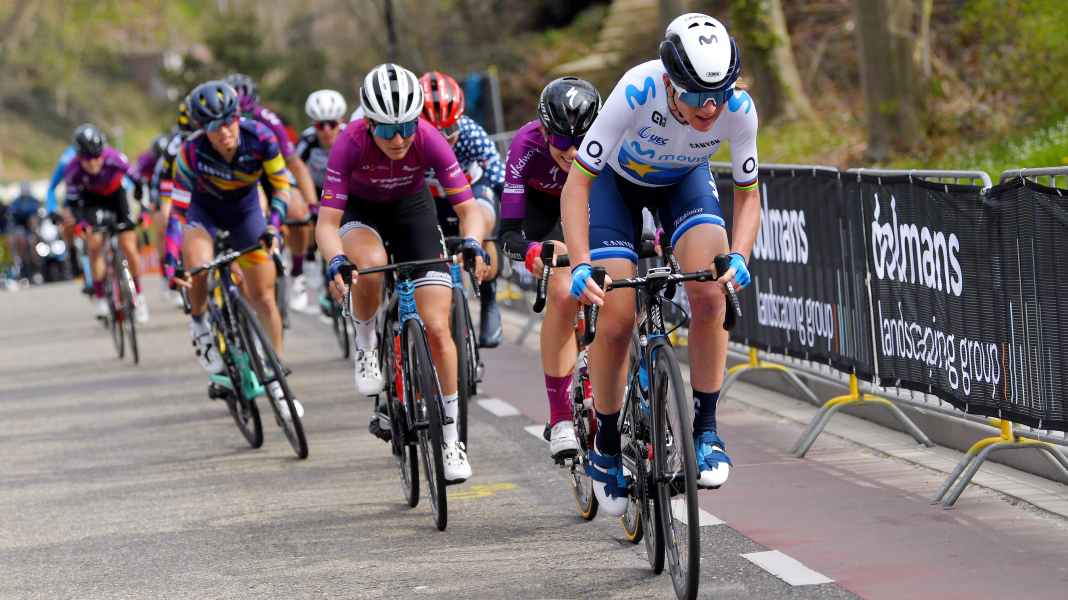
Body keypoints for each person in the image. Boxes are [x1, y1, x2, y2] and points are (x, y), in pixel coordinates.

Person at [562, 13, 760, 516]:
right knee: (617, 315)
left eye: (719, 93)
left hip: (683, 183)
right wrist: (582, 264)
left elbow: (749, 196)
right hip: (615, 188)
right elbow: (577, 185)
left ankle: (707, 430)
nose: (710, 107)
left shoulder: (737, 108)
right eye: (695, 95)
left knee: (712, 292)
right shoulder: (634, 91)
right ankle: (606, 445)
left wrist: (739, 254)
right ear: (670, 83)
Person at [315, 63, 488, 482]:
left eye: (407, 126)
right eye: (387, 130)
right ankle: (366, 343)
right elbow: (326, 223)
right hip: (362, 213)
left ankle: (450, 439)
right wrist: (337, 259)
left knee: (437, 327)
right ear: (368, 123)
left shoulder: (427, 138)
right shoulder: (348, 143)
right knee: (370, 267)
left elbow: (468, 210)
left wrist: (473, 243)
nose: (398, 139)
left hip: (412, 210)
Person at [165, 80, 302, 419]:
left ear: (238, 116)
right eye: (213, 125)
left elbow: (281, 185)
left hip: (246, 212)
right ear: (201, 128)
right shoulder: (190, 153)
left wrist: (273, 225)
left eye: (229, 120)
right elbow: (178, 212)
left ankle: (276, 378)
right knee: (197, 264)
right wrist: (172, 265)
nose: (224, 131)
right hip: (204, 213)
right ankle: (199, 325)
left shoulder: (262, 139)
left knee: (265, 297)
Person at [498, 77, 601, 460]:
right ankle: (560, 417)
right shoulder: (525, 147)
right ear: (544, 131)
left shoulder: (612, 140)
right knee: (563, 289)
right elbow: (508, 232)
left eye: (583, 141)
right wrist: (529, 252)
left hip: (593, 208)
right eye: (562, 142)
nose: (573, 152)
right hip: (547, 218)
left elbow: (639, 199)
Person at [419, 70, 504, 348]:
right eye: (436, 131)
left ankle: (489, 298)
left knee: (482, 223)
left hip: (471, 190)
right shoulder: (411, 142)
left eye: (450, 129)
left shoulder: (471, 133)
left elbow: (498, 174)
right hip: (434, 197)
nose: (444, 138)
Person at [226, 73, 316, 313]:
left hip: (271, 170)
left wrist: (312, 204)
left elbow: (295, 164)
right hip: (242, 177)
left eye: (246, 115)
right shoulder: (220, 127)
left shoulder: (268, 120)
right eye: (237, 116)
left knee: (297, 213)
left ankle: (297, 273)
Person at [64, 124, 150, 323]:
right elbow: (73, 203)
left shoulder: (116, 159)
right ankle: (101, 296)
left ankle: (139, 297)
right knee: (94, 245)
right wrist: (81, 223)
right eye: (88, 160)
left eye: (97, 157)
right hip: (91, 201)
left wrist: (143, 210)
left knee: (129, 245)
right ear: (79, 157)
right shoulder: (73, 170)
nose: (94, 163)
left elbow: (139, 184)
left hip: (116, 196)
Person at [295, 89, 348, 315]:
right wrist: (307, 204)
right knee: (309, 219)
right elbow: (294, 170)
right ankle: (309, 259)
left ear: (341, 122)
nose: (326, 131)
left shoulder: (350, 137)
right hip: (317, 190)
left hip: (345, 189)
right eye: (320, 126)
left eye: (331, 124)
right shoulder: (307, 141)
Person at [7, 183, 43, 280]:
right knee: (20, 241)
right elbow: (12, 217)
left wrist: (35, 228)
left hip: (32, 230)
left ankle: (37, 267)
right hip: (21, 229)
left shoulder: (34, 202)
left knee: (33, 244)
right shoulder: (16, 203)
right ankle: (23, 267)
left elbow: (37, 217)